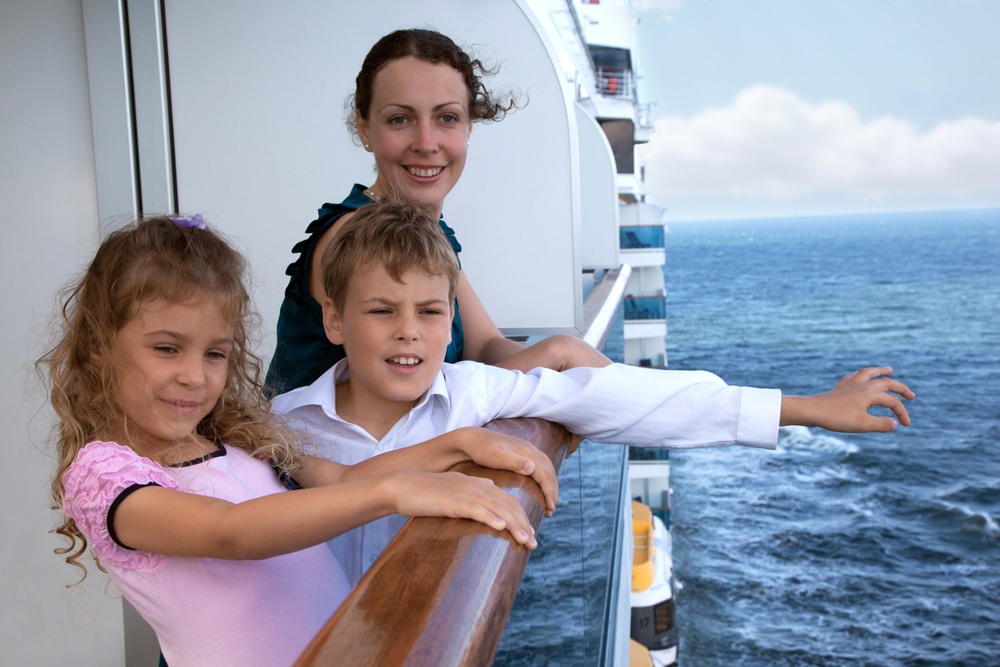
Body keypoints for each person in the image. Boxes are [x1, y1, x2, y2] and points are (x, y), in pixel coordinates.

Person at [272, 202, 916, 586]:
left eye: (431, 312)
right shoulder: (283, 426)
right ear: (334, 322)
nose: (409, 332)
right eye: (382, 310)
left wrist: (807, 409)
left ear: (452, 321)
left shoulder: (475, 391)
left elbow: (625, 398)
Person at [39, 215, 558, 665]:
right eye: (167, 348)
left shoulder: (231, 438)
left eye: (215, 354)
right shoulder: (103, 476)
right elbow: (233, 532)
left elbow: (346, 477)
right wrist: (394, 493)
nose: (195, 377)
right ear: (97, 348)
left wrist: (462, 446)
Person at [266, 28, 609, 395]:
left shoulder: (427, 233)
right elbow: (409, 401)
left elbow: (485, 347)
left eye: (446, 118)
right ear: (365, 128)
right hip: (321, 451)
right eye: (400, 119)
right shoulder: (358, 236)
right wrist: (558, 353)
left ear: (468, 128)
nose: (426, 144)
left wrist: (559, 359)